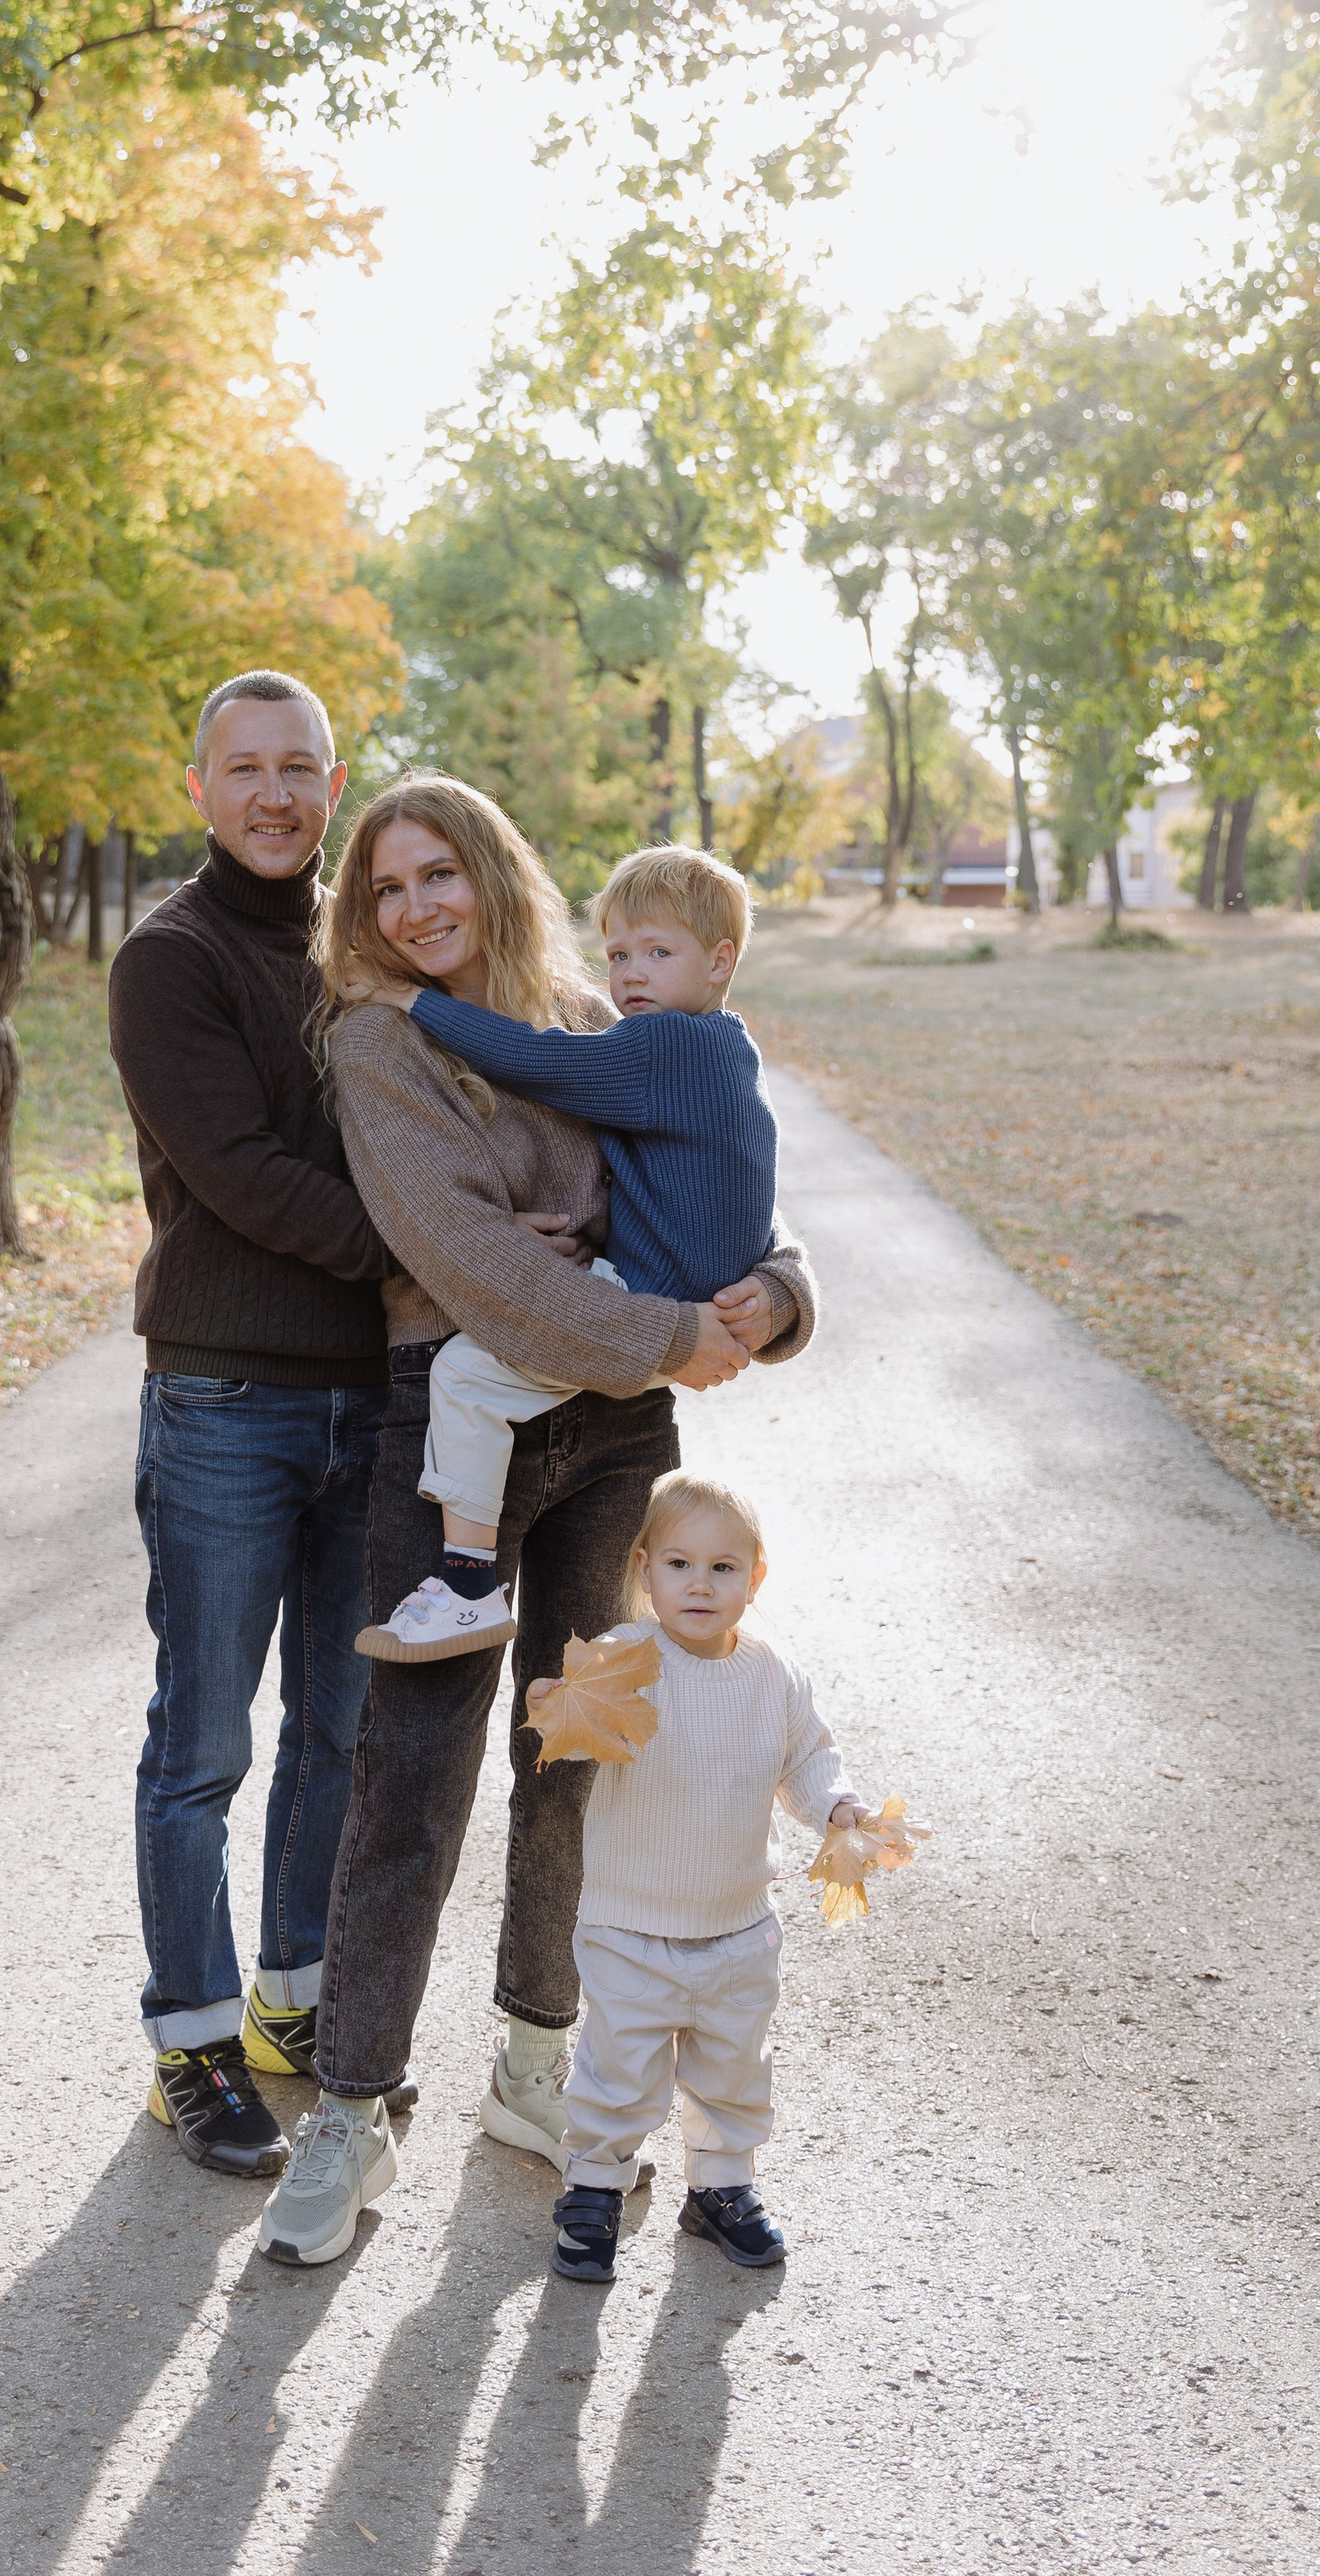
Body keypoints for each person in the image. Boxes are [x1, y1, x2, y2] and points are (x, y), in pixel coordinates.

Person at [255, 776, 818, 2267]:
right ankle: (354, 2107)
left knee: (575, 1756)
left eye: (441, 875)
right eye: (386, 889)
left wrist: (776, 1289)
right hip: (459, 1429)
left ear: (496, 876)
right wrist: (655, 1325)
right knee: (412, 1777)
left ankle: (531, 2060)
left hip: (621, 1432)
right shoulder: (381, 1040)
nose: (416, 909)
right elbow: (465, 1259)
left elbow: (724, 1164)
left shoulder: (596, 1011)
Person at [106, 669, 398, 2180]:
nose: (274, 794)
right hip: (223, 1395)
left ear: (331, 784)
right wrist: (426, 1253)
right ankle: (191, 2045)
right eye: (245, 768)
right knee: (201, 1745)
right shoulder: (170, 959)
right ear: (200, 785)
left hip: (373, 1399)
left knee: (337, 1734)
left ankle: (293, 2006)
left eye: (299, 767)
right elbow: (240, 1176)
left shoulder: (371, 948)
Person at [351, 842, 778, 1663]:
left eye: (659, 953)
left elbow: (534, 1061)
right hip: (682, 1303)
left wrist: (412, 1003)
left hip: (650, 1304)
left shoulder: (663, 1047)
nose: (631, 976)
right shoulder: (726, 1045)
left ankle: (469, 1585)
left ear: (720, 961)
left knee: (467, 1376)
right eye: (619, 954)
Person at [542, 1470, 867, 2287]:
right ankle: (594, 2184)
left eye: (724, 1568)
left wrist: (835, 1807)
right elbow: (578, 1731)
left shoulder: (774, 1675)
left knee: (733, 2067)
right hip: (629, 1924)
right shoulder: (624, 1657)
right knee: (619, 2067)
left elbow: (808, 1758)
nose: (700, 1583)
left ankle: (720, 2186)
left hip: (736, 1925)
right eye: (679, 1564)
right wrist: (565, 1711)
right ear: (645, 1571)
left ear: (754, 1581)